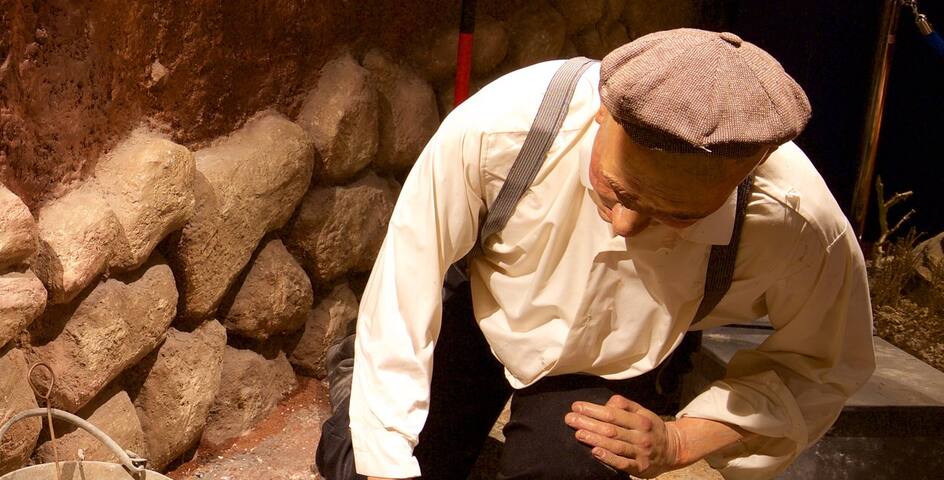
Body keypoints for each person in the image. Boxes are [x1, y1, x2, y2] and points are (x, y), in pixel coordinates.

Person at [314, 29, 876, 480]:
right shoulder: (501, 127)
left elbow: (826, 364)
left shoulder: (798, 221)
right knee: (364, 458)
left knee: (569, 469)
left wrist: (681, 440)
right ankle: (350, 375)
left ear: (745, 174)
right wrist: (387, 455)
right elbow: (403, 290)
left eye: (676, 215)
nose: (627, 226)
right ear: (602, 112)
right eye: (616, 190)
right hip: (488, 306)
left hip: (611, 357)